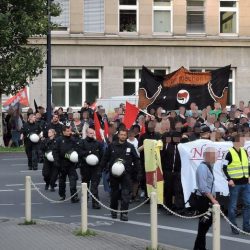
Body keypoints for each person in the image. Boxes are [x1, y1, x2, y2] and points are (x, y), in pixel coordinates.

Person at [100, 129, 141, 221]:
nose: (123, 136)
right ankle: (113, 211)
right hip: (114, 174)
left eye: (124, 135)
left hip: (126, 173)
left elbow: (136, 160)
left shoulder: (130, 146)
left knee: (125, 193)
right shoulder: (112, 146)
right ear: (118, 135)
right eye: (121, 134)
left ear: (126, 136)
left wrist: (139, 172)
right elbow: (105, 158)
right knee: (114, 194)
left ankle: (124, 213)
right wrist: (101, 168)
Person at [222, 133, 250, 234]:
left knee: (248, 204)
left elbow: (248, 165)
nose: (244, 142)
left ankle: (246, 227)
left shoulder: (245, 151)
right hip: (235, 184)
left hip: (246, 183)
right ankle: (234, 227)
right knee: (233, 206)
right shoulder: (228, 153)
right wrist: (229, 179)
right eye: (242, 140)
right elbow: (223, 168)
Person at [194, 147, 219, 250]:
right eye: (215, 155)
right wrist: (212, 199)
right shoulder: (203, 168)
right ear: (208, 156)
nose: (216, 157)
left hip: (208, 198)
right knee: (203, 225)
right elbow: (203, 187)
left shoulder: (209, 166)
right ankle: (199, 248)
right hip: (204, 200)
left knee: (204, 226)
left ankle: (199, 247)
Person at [53, 125, 80, 203]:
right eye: (67, 131)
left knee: (73, 180)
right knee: (62, 181)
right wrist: (56, 162)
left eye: (70, 131)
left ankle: (74, 197)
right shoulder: (58, 140)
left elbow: (77, 150)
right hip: (62, 164)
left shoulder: (73, 140)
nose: (69, 132)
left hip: (71, 164)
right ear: (63, 132)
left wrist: (77, 162)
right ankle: (62, 195)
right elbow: (55, 151)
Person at [78, 128, 103, 209]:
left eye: (93, 133)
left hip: (96, 168)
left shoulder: (98, 143)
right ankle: (84, 201)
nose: (92, 134)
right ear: (87, 133)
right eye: (90, 133)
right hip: (85, 167)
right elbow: (79, 153)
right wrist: (88, 152)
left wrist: (101, 166)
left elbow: (102, 154)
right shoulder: (82, 142)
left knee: (94, 186)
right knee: (85, 184)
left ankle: (95, 203)